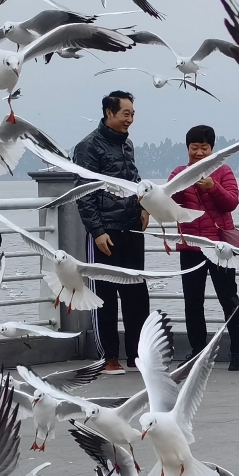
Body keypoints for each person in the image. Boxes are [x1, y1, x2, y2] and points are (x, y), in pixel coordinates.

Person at [73, 90, 148, 374]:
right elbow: (84, 193)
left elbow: (134, 180)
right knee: (104, 295)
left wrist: (145, 207)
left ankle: (137, 355)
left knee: (136, 296)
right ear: (109, 113)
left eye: (132, 114)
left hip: (131, 226)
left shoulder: (127, 145)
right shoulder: (88, 147)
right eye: (125, 113)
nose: (130, 119)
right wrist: (97, 231)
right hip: (105, 230)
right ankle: (109, 357)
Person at [170, 124, 239, 370]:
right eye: (195, 147)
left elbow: (231, 203)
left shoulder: (223, 172)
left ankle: (238, 353)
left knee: (229, 300)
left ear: (212, 149)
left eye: (204, 148)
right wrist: (183, 185)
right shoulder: (179, 172)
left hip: (219, 247)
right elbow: (170, 200)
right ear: (188, 148)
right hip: (190, 247)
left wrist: (212, 187)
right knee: (193, 303)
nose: (200, 153)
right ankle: (197, 353)